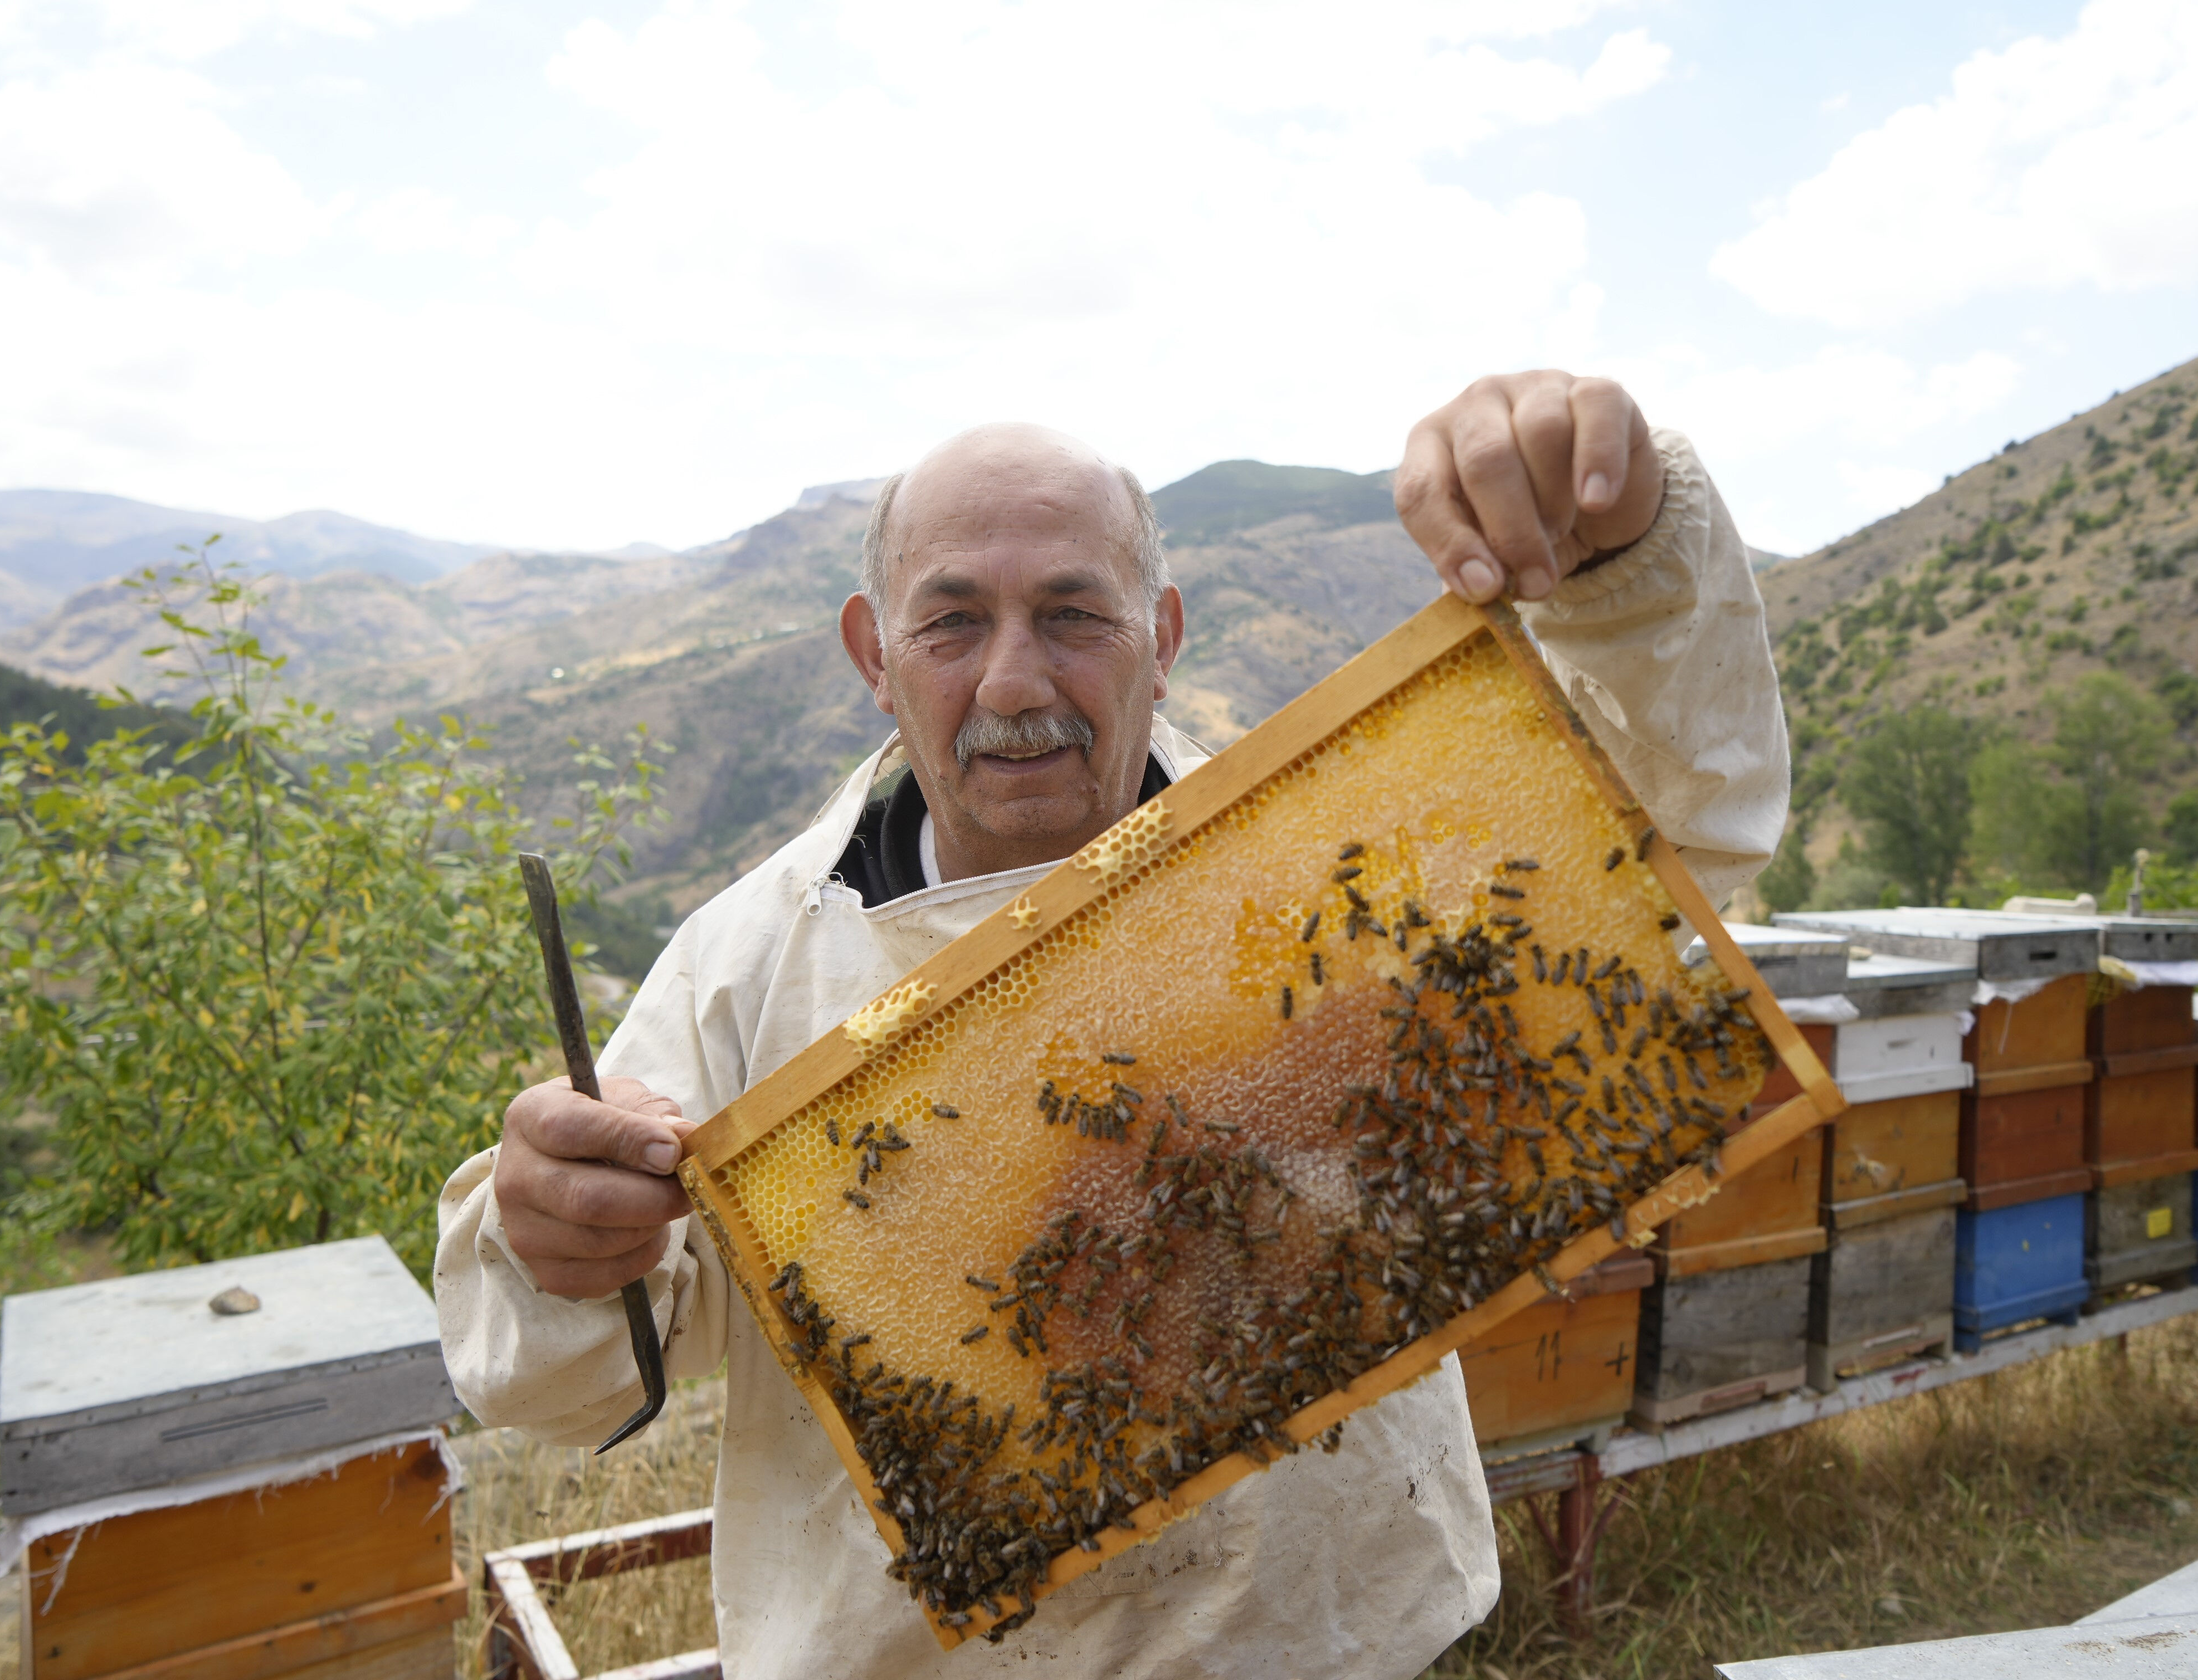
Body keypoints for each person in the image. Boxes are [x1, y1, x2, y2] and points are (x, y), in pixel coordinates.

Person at [435, 370, 1790, 1678]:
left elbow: (1669, 826)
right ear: (873, 655)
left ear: (1167, 633)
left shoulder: (1338, 864)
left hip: (1323, 1649)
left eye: (1075, 615)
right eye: (953, 622)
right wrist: (546, 1234)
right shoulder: (741, 970)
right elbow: (577, 1380)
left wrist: (1625, 553)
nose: (1015, 682)